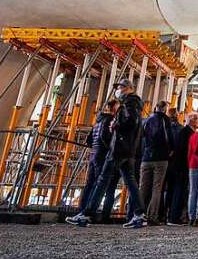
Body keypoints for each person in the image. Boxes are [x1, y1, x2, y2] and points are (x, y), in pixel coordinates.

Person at [83, 78, 147, 228]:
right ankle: (139, 214)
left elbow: (131, 122)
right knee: (130, 182)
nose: (118, 90)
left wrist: (116, 124)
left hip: (119, 147)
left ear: (129, 88)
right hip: (127, 149)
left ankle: (87, 214)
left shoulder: (130, 103)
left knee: (103, 179)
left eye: (121, 87)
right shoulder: (132, 103)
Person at [67, 100, 116, 226]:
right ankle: (91, 213)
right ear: (112, 109)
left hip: (93, 154)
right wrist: (110, 149)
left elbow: (89, 140)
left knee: (90, 184)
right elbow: (105, 137)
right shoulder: (109, 121)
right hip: (103, 155)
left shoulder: (97, 122)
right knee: (100, 184)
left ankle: (82, 210)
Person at [139, 100, 174, 225]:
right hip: (161, 158)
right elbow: (169, 138)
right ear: (164, 109)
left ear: (155, 107)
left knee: (143, 188)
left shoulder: (146, 120)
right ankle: (152, 216)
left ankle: (137, 214)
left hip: (146, 157)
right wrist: (171, 150)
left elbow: (141, 138)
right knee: (157, 188)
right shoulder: (166, 120)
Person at [166, 111, 196, 226]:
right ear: (191, 120)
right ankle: (175, 217)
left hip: (177, 165)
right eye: (196, 119)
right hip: (182, 166)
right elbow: (185, 151)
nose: (197, 121)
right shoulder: (187, 133)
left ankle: (172, 216)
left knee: (175, 191)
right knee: (180, 191)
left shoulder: (183, 131)